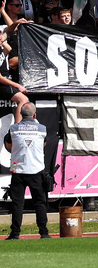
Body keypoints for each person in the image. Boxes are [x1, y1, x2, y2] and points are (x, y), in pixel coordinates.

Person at [4, 102, 49, 240]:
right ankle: (44, 232)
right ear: (35, 115)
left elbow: (8, 145)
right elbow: (44, 144)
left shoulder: (13, 128)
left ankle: (15, 233)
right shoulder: (42, 129)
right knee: (40, 203)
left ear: (21, 115)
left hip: (19, 170)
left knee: (17, 203)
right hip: (36, 170)